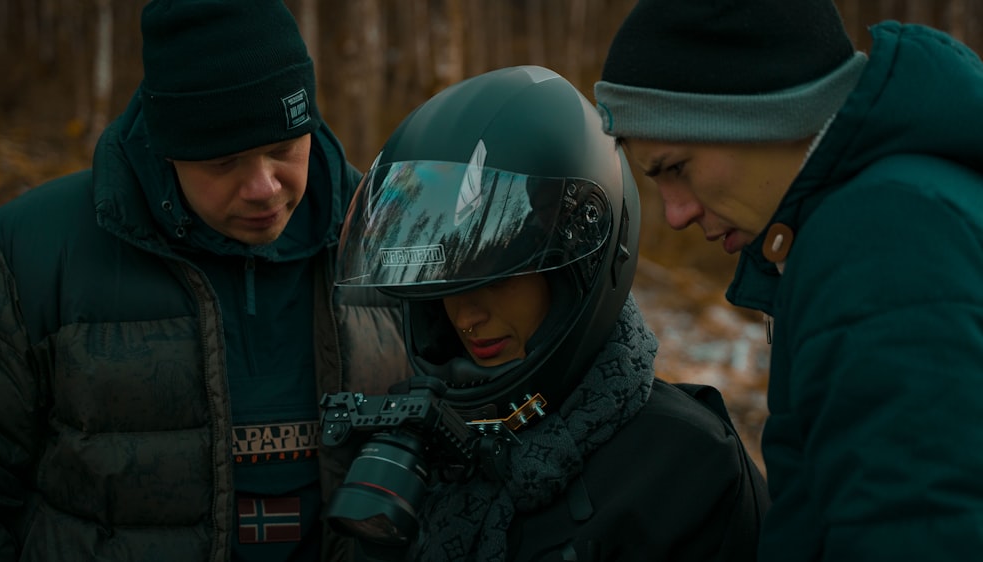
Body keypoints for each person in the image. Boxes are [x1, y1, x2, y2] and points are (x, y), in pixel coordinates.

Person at [0, 1, 410, 561]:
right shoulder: (27, 257)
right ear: (169, 150)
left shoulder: (390, 238)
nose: (264, 187)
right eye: (224, 162)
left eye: (283, 150)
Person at [329, 65, 769, 562]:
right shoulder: (418, 459)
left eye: (494, 280)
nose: (467, 317)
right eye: (445, 291)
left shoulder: (686, 467)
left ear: (572, 271)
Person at [594, 1, 983, 560]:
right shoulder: (874, 217)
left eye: (676, 168)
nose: (675, 214)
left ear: (760, 114)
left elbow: (918, 525)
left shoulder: (881, 238)